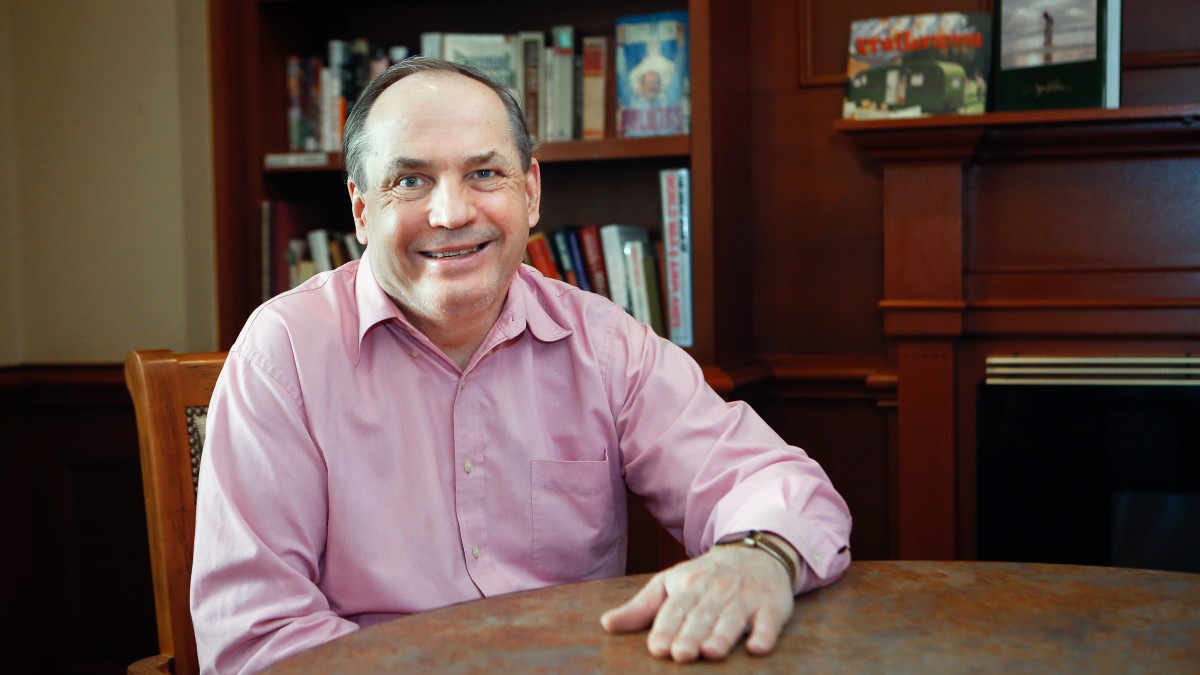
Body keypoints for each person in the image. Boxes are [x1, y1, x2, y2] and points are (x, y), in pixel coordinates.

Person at [190, 56, 852, 674]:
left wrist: (758, 554)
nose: (451, 212)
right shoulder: (282, 353)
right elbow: (257, 634)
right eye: (410, 179)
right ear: (362, 209)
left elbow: (770, 481)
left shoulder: (606, 344)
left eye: (484, 173)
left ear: (530, 193)